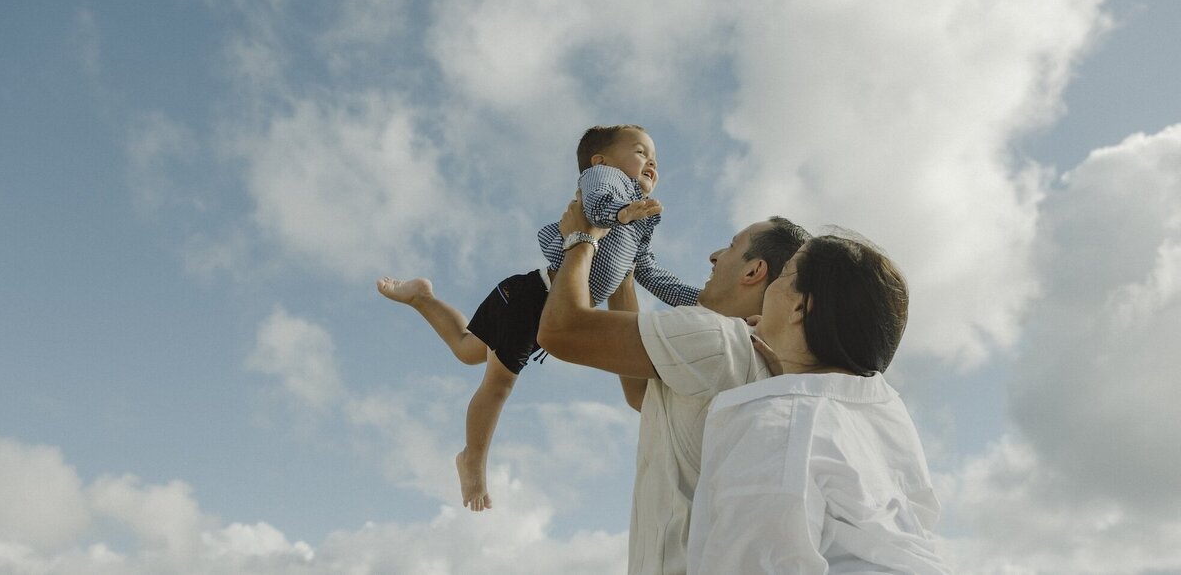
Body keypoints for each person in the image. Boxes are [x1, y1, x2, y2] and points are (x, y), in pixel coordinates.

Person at [377, 125, 699, 512]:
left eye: (655, 160)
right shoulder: (606, 180)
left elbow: (650, 273)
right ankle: (472, 461)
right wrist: (622, 212)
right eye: (640, 152)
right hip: (534, 298)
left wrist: (703, 303)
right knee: (497, 385)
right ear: (602, 160)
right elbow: (595, 208)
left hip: (533, 297)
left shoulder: (641, 220)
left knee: (467, 350)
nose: (651, 162)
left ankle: (422, 297)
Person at [537, 199, 810, 575]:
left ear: (754, 270)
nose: (714, 256)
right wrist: (623, 265)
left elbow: (559, 330)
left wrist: (582, 239)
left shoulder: (717, 338)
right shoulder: (752, 356)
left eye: (730, 246)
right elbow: (639, 394)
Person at [687, 233, 951, 574]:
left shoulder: (776, 423)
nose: (770, 287)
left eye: (784, 275)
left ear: (800, 306)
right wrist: (791, 371)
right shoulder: (885, 410)